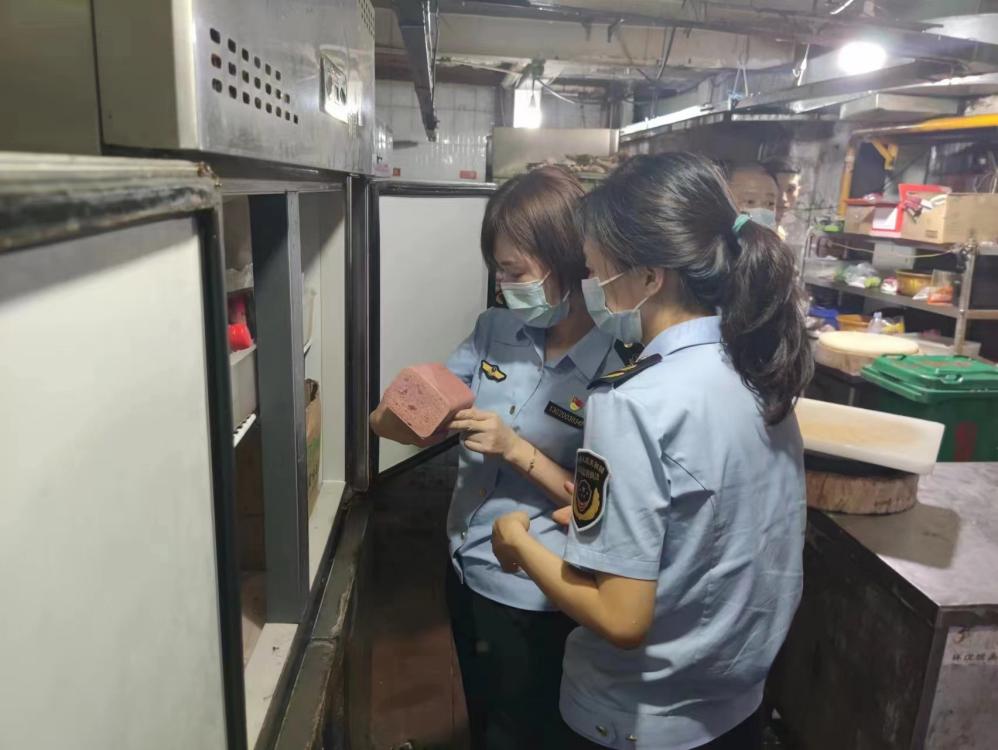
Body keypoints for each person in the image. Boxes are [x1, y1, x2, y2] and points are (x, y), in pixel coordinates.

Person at [491, 153, 813, 750]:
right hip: (735, 705)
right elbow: (721, 526)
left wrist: (517, 542)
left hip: (636, 719)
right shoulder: (759, 370)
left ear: (649, 276)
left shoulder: (633, 402)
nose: (591, 287)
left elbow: (622, 617)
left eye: (596, 271)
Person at [370, 166, 627, 749]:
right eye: (499, 272)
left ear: (568, 261)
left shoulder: (617, 362)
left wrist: (515, 449)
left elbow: (606, 509)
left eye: (516, 272)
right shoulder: (495, 329)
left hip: (537, 588)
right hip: (465, 560)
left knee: (524, 729)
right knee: (483, 712)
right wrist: (397, 413)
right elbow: (408, 418)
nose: (505, 287)